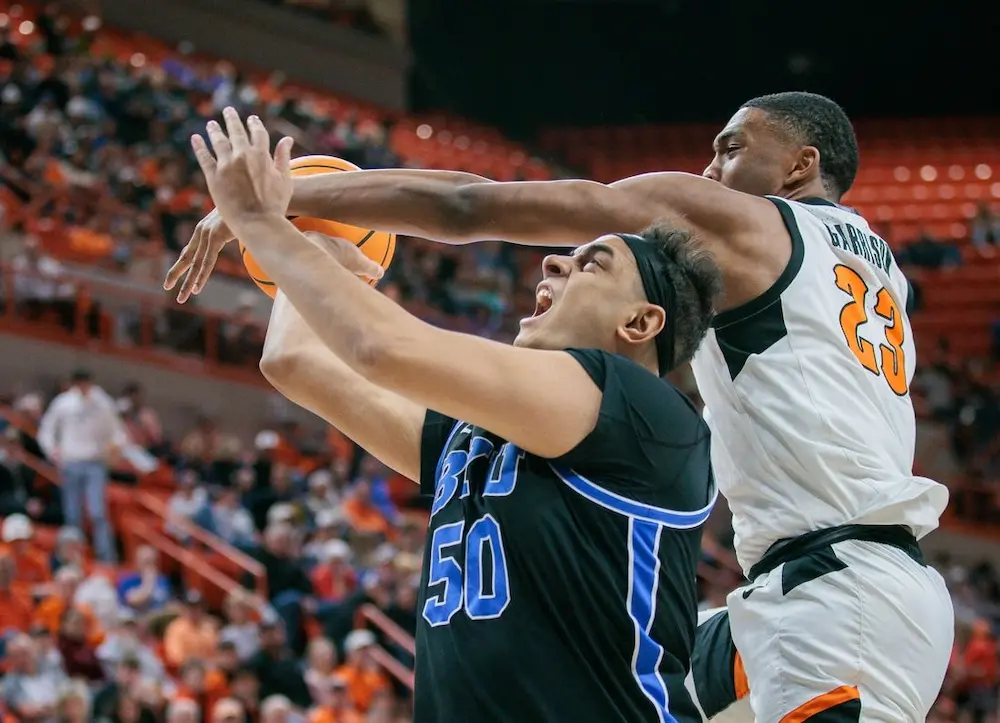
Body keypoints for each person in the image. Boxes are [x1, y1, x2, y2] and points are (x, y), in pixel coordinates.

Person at [167, 93, 954, 722]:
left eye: (731, 148)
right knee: (632, 664)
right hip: (801, 591)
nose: (709, 169)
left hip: (838, 595)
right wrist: (300, 247)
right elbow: (301, 361)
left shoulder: (740, 233)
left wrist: (277, 201)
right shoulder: (873, 272)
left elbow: (469, 207)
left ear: (800, 165)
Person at [179, 109, 720, 721]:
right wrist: (310, 239)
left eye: (593, 264)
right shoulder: (477, 438)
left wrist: (259, 219)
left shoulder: (644, 413)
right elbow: (294, 360)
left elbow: (382, 348)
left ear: (641, 322)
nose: (552, 263)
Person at [37, 368, 127, 562]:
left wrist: (116, 450)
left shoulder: (103, 403)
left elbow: (118, 432)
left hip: (95, 463)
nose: (83, 387)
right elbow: (46, 430)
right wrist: (52, 451)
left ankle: (106, 557)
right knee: (73, 514)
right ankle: (73, 557)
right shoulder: (63, 403)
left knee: (97, 512)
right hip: (71, 462)